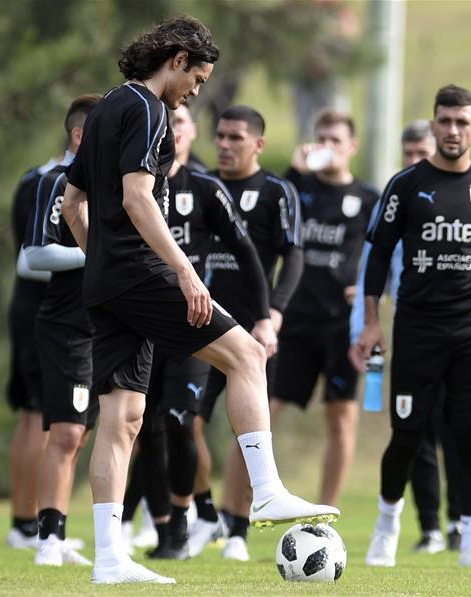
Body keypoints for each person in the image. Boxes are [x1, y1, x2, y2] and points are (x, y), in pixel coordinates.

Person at [58, 17, 337, 584]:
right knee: (248, 357)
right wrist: (185, 273)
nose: (197, 92)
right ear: (178, 58)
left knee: (123, 416)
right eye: (200, 78)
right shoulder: (147, 109)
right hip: (142, 272)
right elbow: (138, 197)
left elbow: (72, 203)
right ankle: (265, 494)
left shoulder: (107, 105)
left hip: (107, 283)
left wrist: (102, 265)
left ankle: (109, 559)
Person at [358, 85, 471, 570]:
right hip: (417, 328)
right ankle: (387, 525)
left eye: (461, 122)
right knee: (407, 433)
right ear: (433, 126)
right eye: (444, 121)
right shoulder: (405, 186)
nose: (452, 131)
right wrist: (370, 323)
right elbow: (378, 256)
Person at [121, 103, 271, 560]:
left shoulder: (205, 188)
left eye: (181, 123)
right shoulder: (136, 184)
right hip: (144, 321)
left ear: (191, 132)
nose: (174, 131)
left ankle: (186, 520)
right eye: (167, 124)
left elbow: (246, 252)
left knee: (179, 420)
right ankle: (166, 532)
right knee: (145, 427)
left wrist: (263, 316)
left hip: (194, 323)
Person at [190, 104, 304, 562]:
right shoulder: (200, 187)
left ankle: (237, 527)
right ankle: (203, 511)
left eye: (235, 137)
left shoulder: (277, 192)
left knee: (247, 430)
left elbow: (293, 256)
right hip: (199, 326)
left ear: (257, 144)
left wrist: (272, 314)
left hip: (253, 333)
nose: (224, 144)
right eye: (219, 136)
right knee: (185, 423)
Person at [269, 110, 377, 509]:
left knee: (341, 418)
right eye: (322, 139)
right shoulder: (298, 189)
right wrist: (294, 173)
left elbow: (384, 253)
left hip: (340, 326)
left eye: (336, 140)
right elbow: (270, 216)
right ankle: (239, 517)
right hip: (294, 320)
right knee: (262, 414)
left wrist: (368, 290)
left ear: (352, 146)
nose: (328, 148)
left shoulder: (368, 199)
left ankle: (326, 512)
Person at [20, 93, 102, 566]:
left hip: (104, 325)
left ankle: (60, 532)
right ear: (78, 135)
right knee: (66, 433)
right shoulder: (55, 183)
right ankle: (46, 538)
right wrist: (93, 255)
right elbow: (33, 256)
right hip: (65, 324)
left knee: (83, 434)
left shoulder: (116, 180)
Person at [4, 143, 63, 551]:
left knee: (41, 416)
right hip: (40, 309)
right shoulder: (41, 182)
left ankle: (28, 522)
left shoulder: (38, 179)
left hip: (48, 310)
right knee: (39, 415)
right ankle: (27, 523)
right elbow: (29, 258)